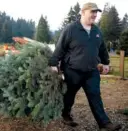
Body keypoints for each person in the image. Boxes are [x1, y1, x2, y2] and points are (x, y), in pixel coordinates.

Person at [48, 2, 121, 131]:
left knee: (95, 97)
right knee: (69, 96)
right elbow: (60, 48)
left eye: (96, 12)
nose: (94, 15)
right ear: (82, 12)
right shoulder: (71, 29)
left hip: (91, 72)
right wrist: (53, 63)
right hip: (72, 71)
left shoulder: (96, 31)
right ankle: (66, 115)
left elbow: (102, 49)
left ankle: (104, 123)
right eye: (92, 12)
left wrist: (106, 63)